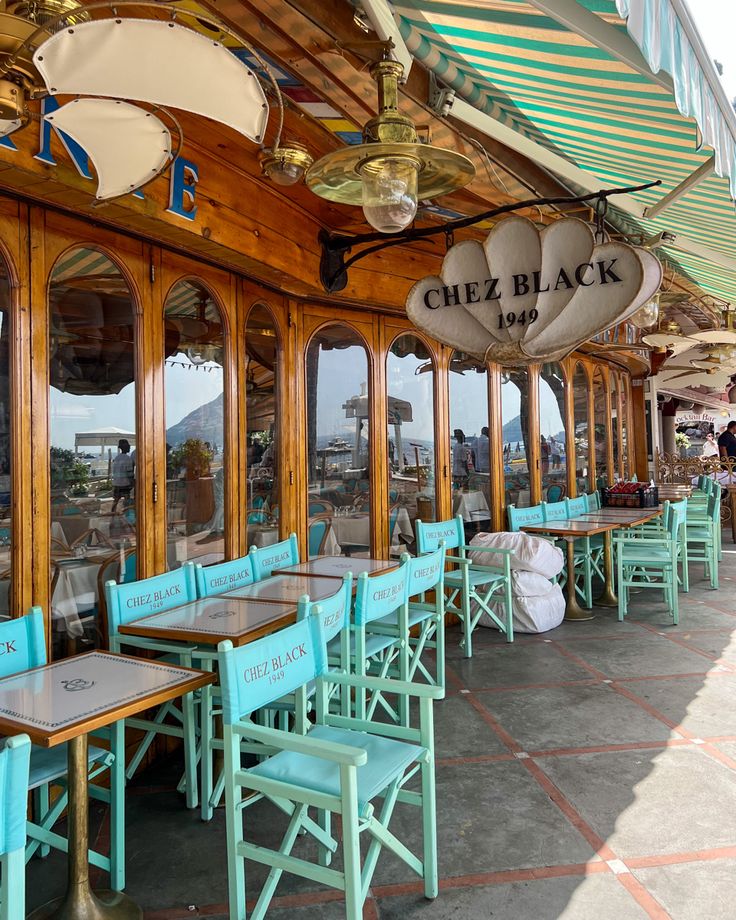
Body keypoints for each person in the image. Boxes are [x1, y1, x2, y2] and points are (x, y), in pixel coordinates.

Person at [111, 438, 135, 513]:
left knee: (115, 501)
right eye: (128, 446)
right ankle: (126, 516)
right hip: (125, 484)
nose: (130, 447)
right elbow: (130, 474)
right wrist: (133, 484)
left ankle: (112, 514)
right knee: (127, 502)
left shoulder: (117, 458)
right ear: (125, 447)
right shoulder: (128, 459)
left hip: (116, 484)